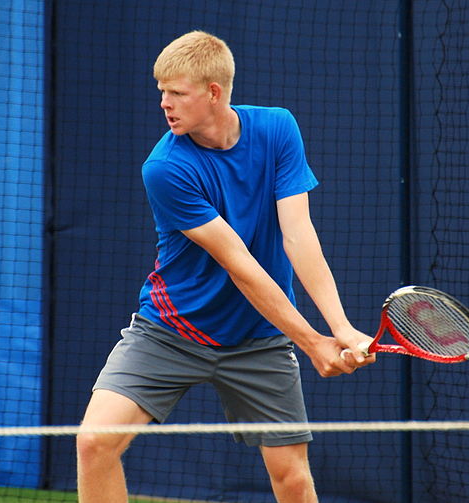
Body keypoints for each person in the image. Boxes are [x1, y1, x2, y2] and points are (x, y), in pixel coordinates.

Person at [76, 30, 375, 503]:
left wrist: (342, 328)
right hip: (169, 332)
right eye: (162, 93)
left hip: (258, 339)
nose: (165, 104)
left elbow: (299, 236)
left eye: (176, 93)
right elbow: (240, 265)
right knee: (94, 443)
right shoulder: (166, 167)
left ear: (213, 92)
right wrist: (313, 342)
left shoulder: (278, 129)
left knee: (292, 478)